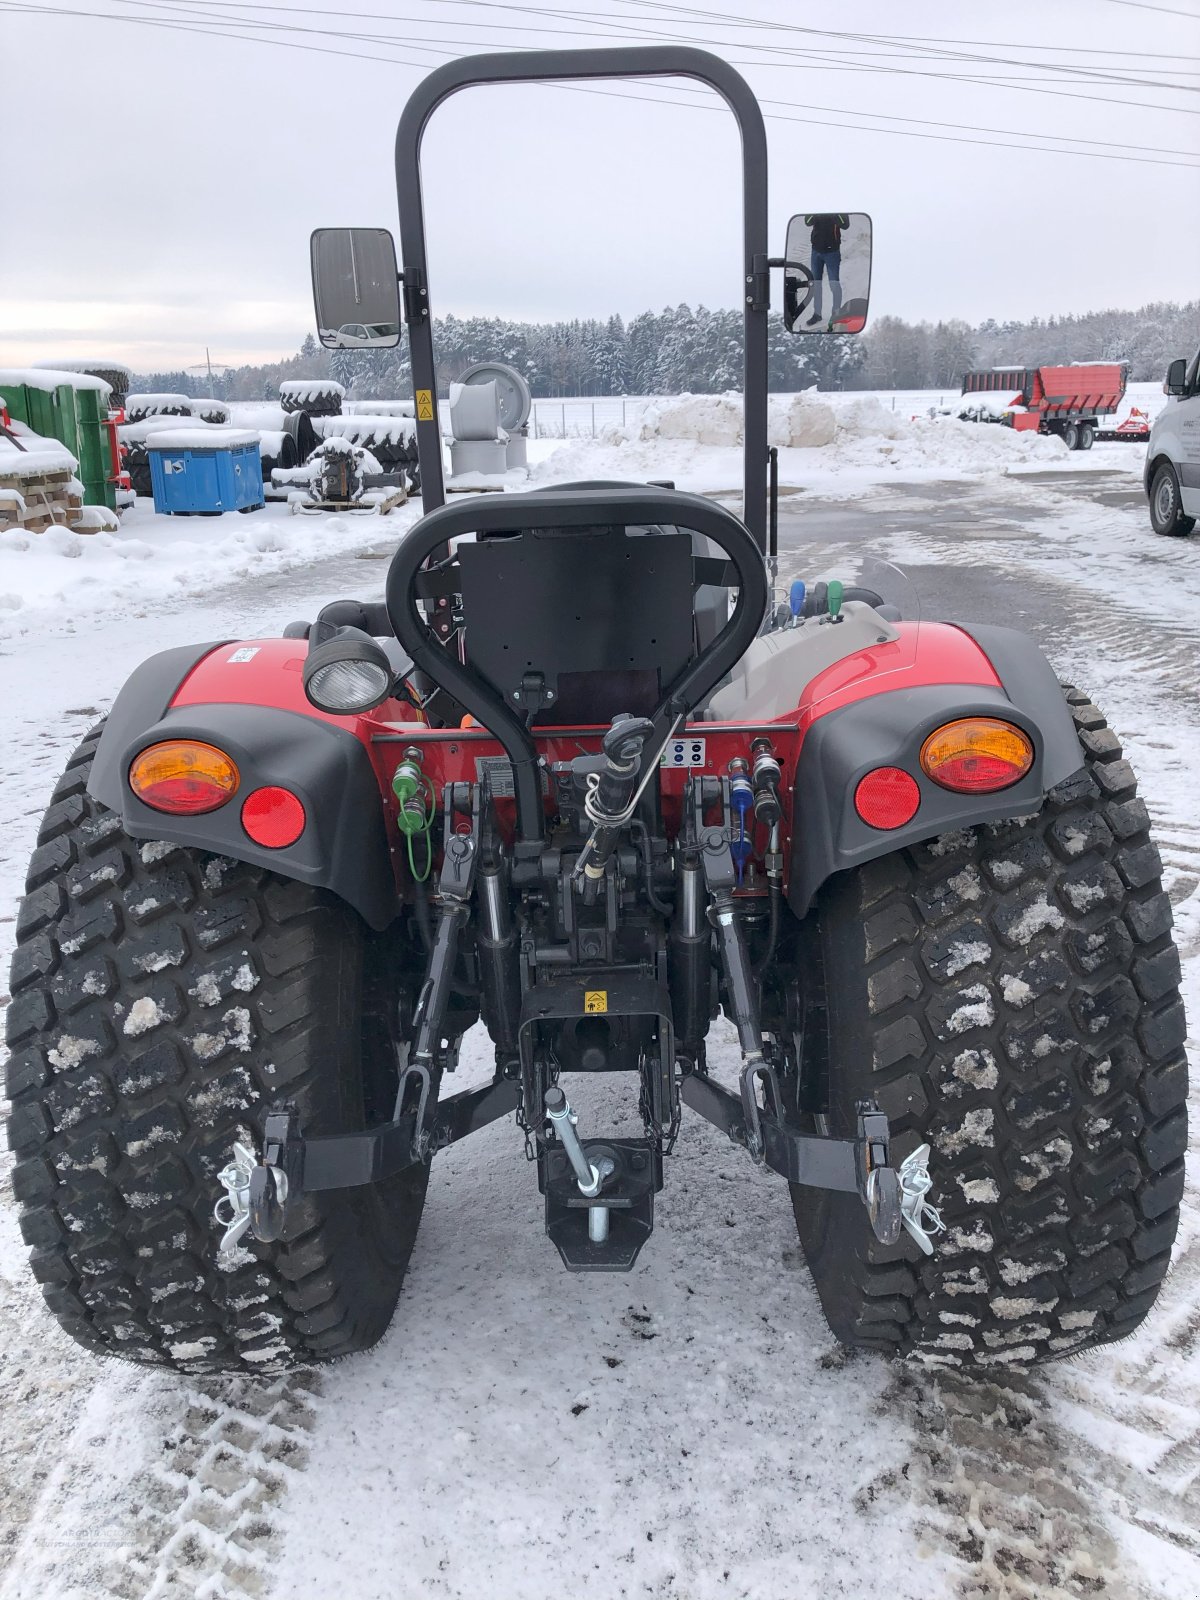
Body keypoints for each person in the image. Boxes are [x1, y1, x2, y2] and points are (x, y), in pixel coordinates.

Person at [804, 213, 848, 329]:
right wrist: (814, 213)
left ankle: (836, 314)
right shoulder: (815, 207)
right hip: (816, 251)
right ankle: (817, 314)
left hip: (832, 252)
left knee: (834, 284)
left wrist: (835, 214)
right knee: (816, 284)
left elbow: (845, 225)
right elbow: (807, 222)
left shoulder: (840, 208)